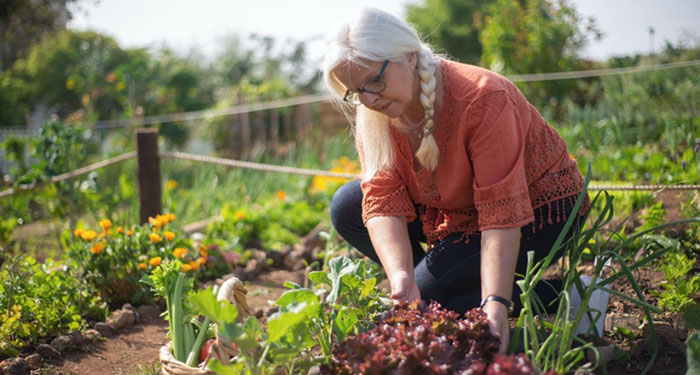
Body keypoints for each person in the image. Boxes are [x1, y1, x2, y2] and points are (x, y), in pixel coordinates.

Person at [322, 7, 590, 354]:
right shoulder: (374, 112)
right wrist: (401, 276)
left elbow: (501, 214)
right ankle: (439, 286)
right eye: (356, 91)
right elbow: (383, 198)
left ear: (408, 56)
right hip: (460, 211)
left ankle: (571, 294)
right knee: (347, 206)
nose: (369, 100)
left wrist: (495, 304)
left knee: (433, 299)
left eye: (374, 81)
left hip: (540, 210)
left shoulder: (483, 97)